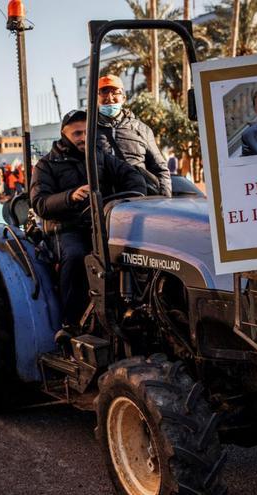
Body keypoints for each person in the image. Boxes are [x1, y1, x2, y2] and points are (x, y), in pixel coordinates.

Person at [31, 109, 146, 328]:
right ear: (65, 135)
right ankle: (71, 322)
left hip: (100, 223)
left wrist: (134, 196)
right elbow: (40, 203)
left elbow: (131, 175)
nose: (83, 137)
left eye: (86, 132)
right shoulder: (47, 165)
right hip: (66, 227)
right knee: (77, 256)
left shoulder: (100, 156)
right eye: (76, 134)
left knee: (130, 252)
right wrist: (70, 196)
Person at [95, 74, 172, 197]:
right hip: (101, 204)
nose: (110, 97)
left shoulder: (141, 129)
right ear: (96, 98)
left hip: (137, 201)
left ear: (124, 98)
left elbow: (160, 168)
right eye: (104, 92)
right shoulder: (86, 129)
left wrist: (164, 200)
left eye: (115, 92)